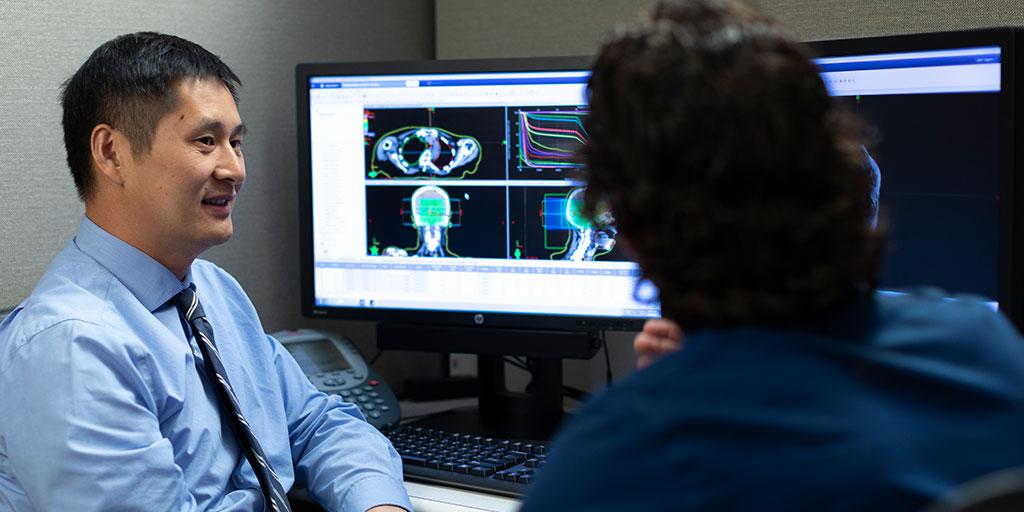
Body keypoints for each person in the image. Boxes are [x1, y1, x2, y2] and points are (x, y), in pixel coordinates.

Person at [521, 1, 1024, 510]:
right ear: (848, 178)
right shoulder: (986, 353)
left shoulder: (613, 462)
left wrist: (680, 395)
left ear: (627, 226)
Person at [0, 33, 410, 512]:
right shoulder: (73, 346)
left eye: (236, 142)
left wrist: (379, 504)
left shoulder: (213, 292)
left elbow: (317, 423)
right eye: (207, 141)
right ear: (111, 153)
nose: (234, 168)